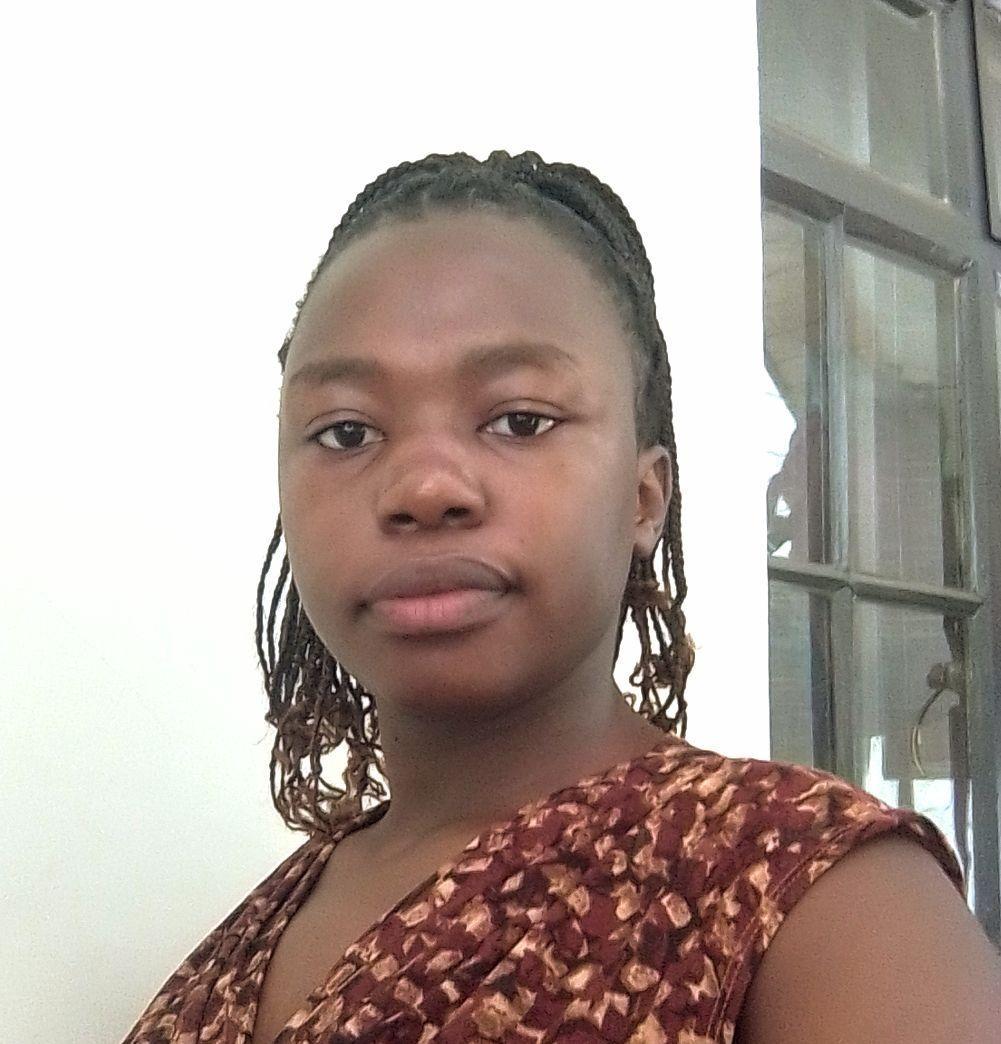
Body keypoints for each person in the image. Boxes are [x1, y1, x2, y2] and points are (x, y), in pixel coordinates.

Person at [121, 150, 1001, 1044]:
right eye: (346, 431)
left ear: (643, 499)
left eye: (518, 420)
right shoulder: (253, 933)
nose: (424, 487)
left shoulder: (816, 900)